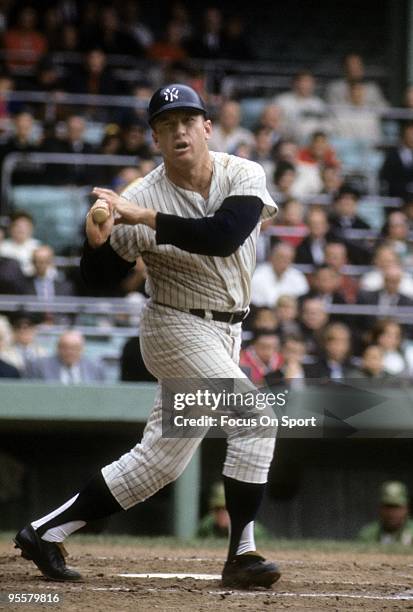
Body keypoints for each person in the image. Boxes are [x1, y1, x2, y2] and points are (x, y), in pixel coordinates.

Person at [14, 83, 281, 588]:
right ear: (155, 139)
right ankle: (242, 554)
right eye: (166, 125)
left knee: (160, 461)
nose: (178, 131)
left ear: (207, 126)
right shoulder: (139, 196)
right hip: (175, 326)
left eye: (187, 121)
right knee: (254, 417)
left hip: (227, 330)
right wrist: (94, 246)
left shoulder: (242, 172)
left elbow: (224, 236)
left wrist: (143, 219)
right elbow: (99, 282)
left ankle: (45, 532)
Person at [24, 329, 105, 384]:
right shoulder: (39, 366)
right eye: (65, 347)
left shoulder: (95, 368)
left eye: (75, 348)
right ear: (58, 348)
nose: (69, 352)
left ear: (82, 349)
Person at [198, 482, 268, 538]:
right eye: (218, 509)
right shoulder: (207, 526)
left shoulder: (252, 530)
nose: (222, 513)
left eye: (228, 509)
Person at [251, 241, 309, 307]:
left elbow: (302, 301)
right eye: (280, 257)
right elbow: (255, 304)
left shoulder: (298, 276)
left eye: (288, 259)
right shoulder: (258, 276)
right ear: (271, 257)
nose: (284, 262)